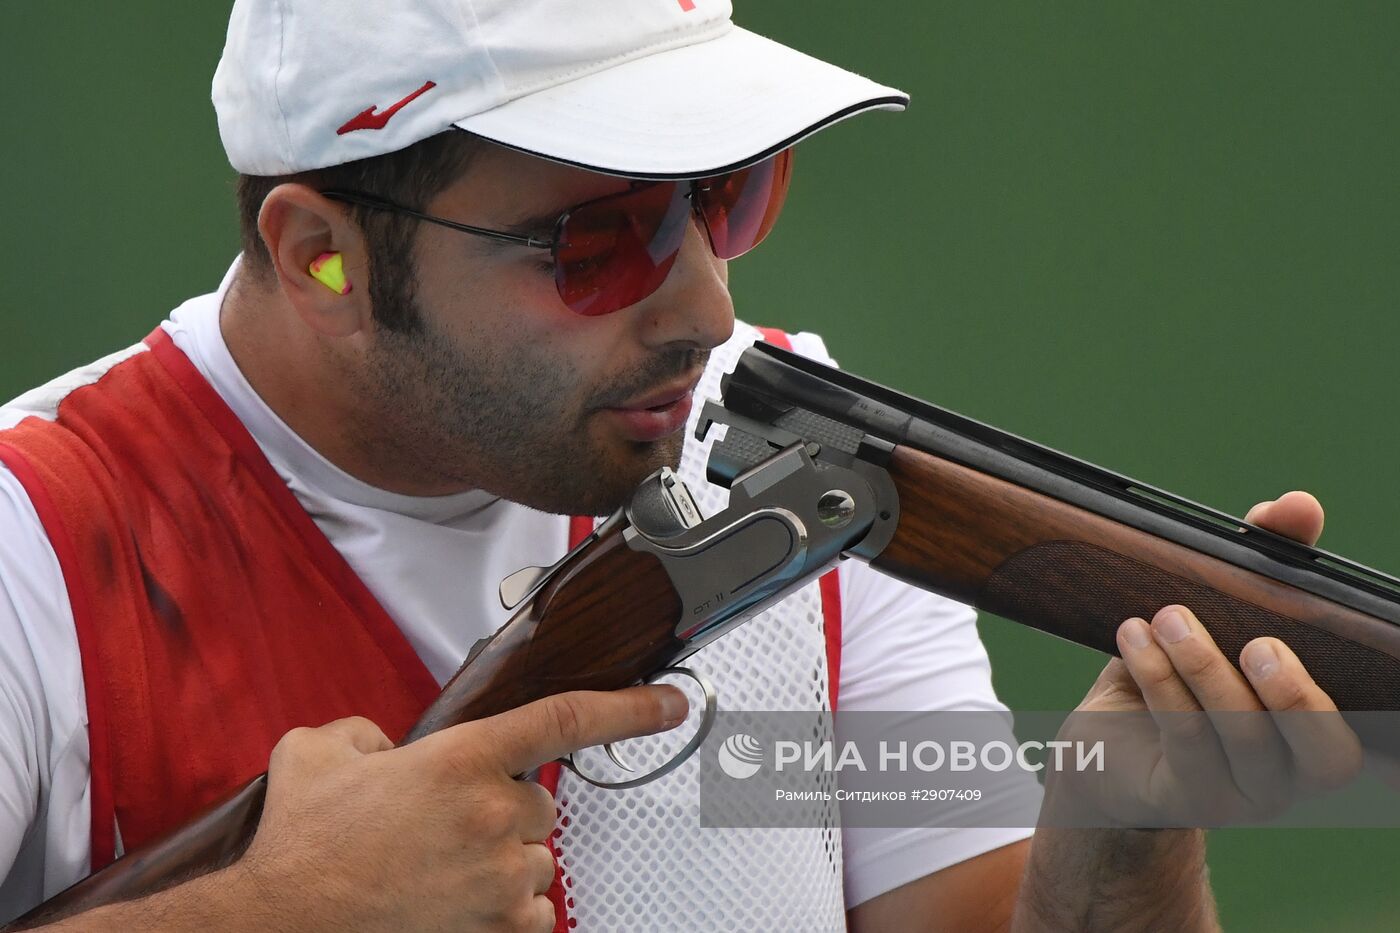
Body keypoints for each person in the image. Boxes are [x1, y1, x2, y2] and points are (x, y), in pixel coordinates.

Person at [0, 1, 1360, 930]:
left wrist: (1125, 833)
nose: (706, 310)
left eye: (721, 196)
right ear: (322, 255)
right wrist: (258, 911)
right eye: (598, 239)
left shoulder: (809, 473)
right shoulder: (38, 544)